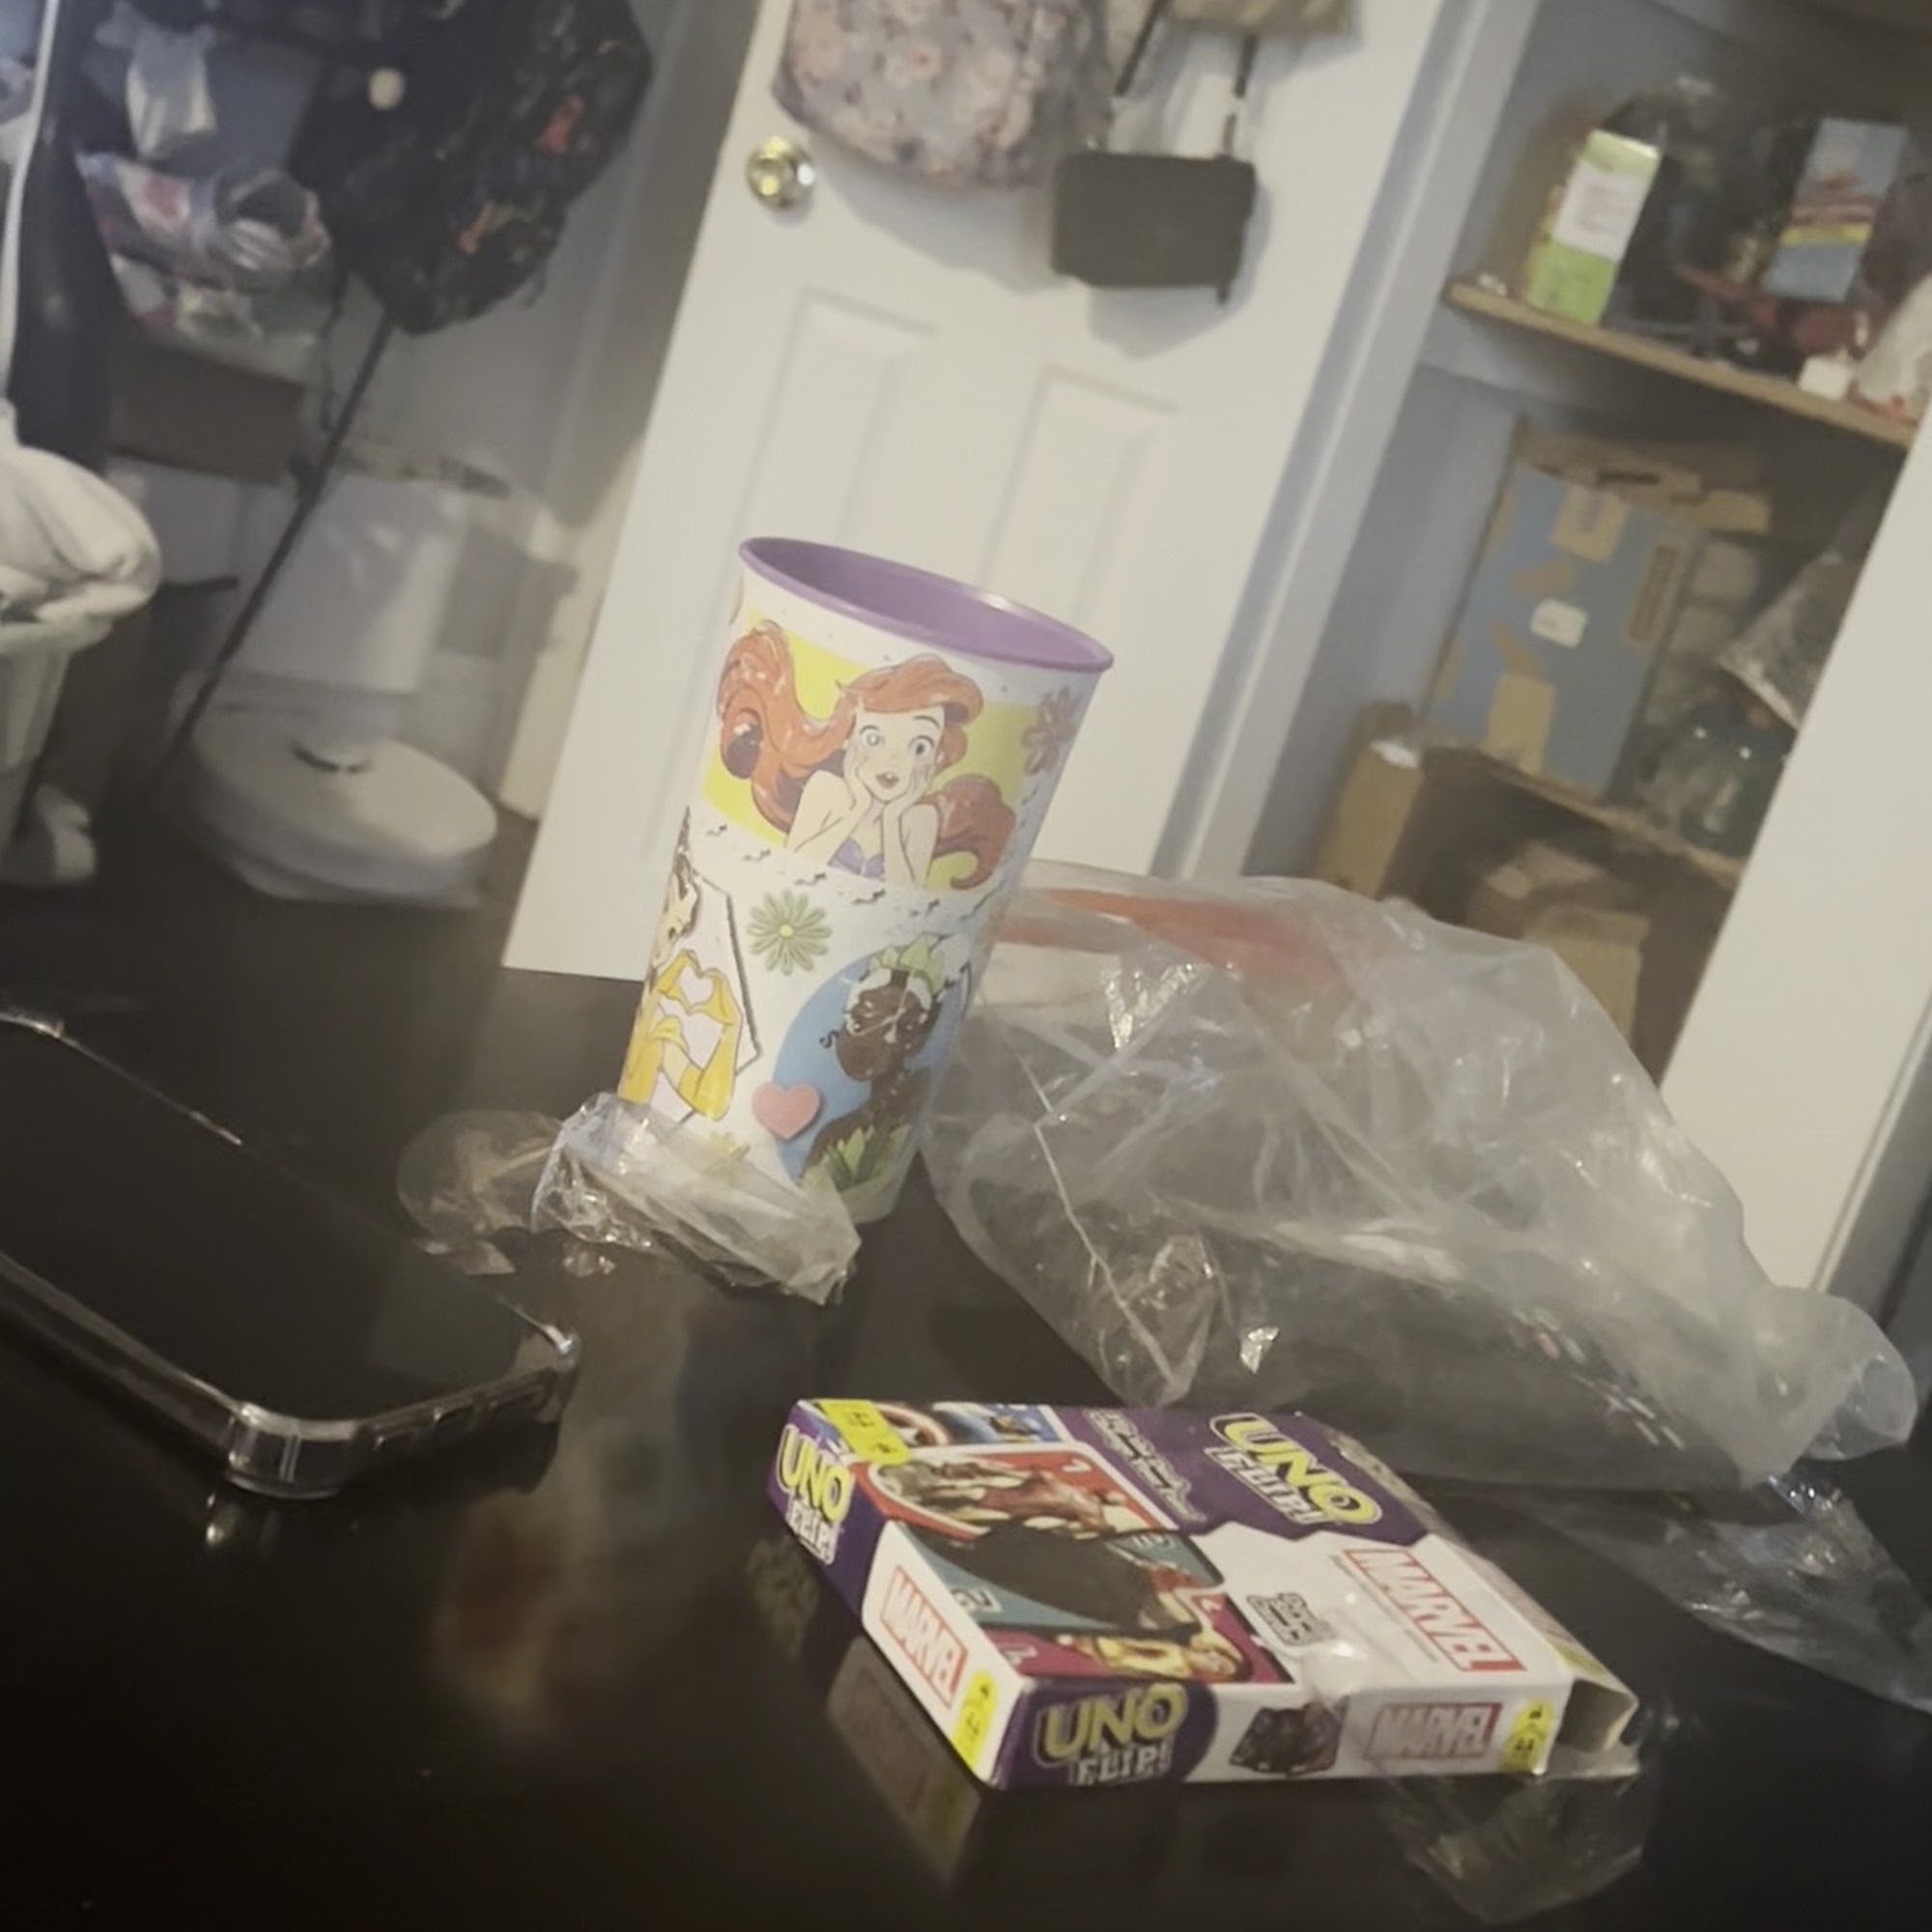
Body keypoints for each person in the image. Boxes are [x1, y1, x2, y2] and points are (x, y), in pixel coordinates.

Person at [718, 620, 1014, 890]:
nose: (894, 759)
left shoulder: (921, 819)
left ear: (937, 756)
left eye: (919, 747)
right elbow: (793, 867)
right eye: (874, 739)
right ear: (848, 738)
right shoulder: (826, 789)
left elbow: (904, 900)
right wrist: (855, 810)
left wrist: (892, 820)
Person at [619, 826, 746, 1121]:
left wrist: (732, 1029)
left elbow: (706, 1099)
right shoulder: (653, 1004)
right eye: (666, 908)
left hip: (638, 1142)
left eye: (676, 930)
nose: (666, 934)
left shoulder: (663, 1025)